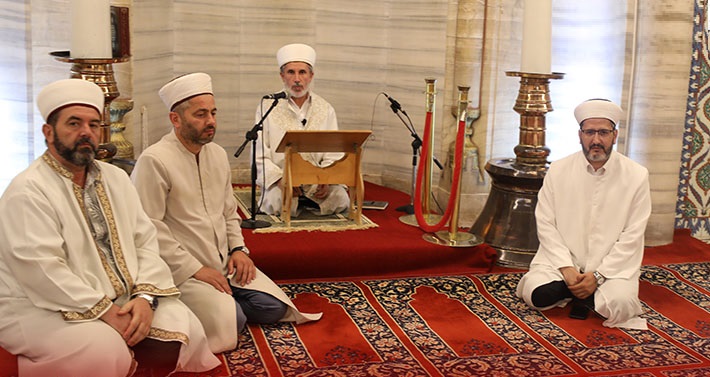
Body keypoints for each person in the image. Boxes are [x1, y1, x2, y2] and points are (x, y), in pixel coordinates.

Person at [0, 78, 220, 377]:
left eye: (93, 125)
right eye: (74, 124)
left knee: (184, 325)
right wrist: (105, 312)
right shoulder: (28, 190)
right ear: (48, 132)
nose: (86, 133)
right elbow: (41, 269)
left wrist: (144, 298)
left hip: (122, 296)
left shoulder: (114, 178)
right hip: (39, 304)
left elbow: (145, 240)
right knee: (104, 350)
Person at [131, 72, 321, 353]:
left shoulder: (217, 154)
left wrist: (238, 250)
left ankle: (222, 300)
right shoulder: (155, 160)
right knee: (235, 318)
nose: (211, 122)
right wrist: (196, 270)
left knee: (273, 308)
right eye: (200, 115)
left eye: (213, 113)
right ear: (176, 119)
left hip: (224, 264)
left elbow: (229, 212)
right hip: (183, 271)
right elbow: (149, 227)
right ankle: (195, 304)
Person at [516, 98, 652, 330]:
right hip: (560, 263)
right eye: (589, 132)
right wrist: (567, 268)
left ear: (615, 135)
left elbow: (633, 234)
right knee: (536, 295)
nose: (596, 140)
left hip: (610, 268)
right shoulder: (558, 170)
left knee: (620, 305)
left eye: (603, 132)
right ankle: (576, 288)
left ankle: (585, 289)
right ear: (580, 135)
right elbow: (546, 224)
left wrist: (598, 274)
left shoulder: (636, 175)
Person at [254, 43, 350, 217]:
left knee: (341, 200)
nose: (297, 79)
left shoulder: (326, 108)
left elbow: (333, 152)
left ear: (311, 76)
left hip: (316, 181)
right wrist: (280, 180)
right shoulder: (267, 106)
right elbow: (260, 152)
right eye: (291, 72)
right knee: (275, 203)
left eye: (302, 72)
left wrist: (325, 178)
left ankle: (311, 198)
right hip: (282, 180)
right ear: (282, 76)